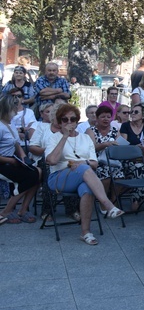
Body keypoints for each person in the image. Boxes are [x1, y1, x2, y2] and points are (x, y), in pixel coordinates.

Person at [44, 104, 124, 244]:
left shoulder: (85, 138)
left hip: (82, 175)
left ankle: (85, 232)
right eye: (65, 119)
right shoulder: (54, 138)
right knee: (83, 169)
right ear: (59, 121)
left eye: (73, 119)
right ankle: (107, 204)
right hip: (58, 178)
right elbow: (51, 161)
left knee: (87, 189)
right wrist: (64, 137)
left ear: (77, 121)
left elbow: (94, 163)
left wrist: (82, 163)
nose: (69, 122)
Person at [0, 94, 41, 224]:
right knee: (30, 176)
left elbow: (16, 143)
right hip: (3, 162)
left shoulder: (9, 124)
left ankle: (23, 209)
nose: (17, 111)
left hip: (12, 159)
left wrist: (23, 156)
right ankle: (6, 210)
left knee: (39, 173)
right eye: (14, 108)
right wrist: (11, 161)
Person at [85, 106, 122, 186]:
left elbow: (120, 145)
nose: (106, 119)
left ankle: (114, 199)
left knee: (120, 175)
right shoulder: (91, 131)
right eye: (103, 117)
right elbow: (91, 149)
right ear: (97, 118)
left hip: (112, 161)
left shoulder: (115, 130)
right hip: (97, 162)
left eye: (108, 117)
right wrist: (106, 144)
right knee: (106, 174)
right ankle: (103, 197)